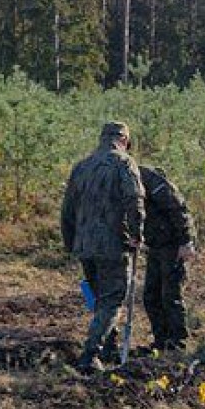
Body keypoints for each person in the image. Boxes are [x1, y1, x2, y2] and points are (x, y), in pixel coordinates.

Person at [61, 121, 145, 373]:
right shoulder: (124, 163)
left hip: (85, 245)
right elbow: (135, 199)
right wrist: (137, 235)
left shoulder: (81, 167)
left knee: (101, 299)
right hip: (113, 244)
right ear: (125, 141)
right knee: (112, 300)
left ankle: (110, 346)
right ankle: (90, 355)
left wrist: (71, 242)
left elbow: (67, 210)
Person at [139, 165, 196, 354]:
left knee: (170, 295)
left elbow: (178, 207)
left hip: (173, 244)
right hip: (155, 245)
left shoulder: (148, 178)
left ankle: (178, 344)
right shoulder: (119, 180)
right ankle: (162, 341)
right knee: (150, 296)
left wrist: (186, 241)